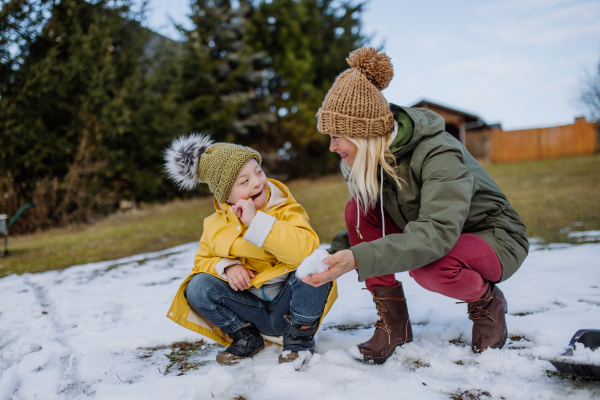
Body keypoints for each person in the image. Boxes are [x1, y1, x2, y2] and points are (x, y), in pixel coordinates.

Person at [300, 47, 529, 364]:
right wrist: (328, 258)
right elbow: (366, 231)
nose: (332, 146)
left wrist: (357, 258)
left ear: (364, 133)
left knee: (432, 268)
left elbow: (435, 233)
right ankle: (395, 323)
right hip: (435, 232)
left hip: (492, 236)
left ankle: (488, 303)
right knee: (359, 208)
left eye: (337, 135)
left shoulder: (438, 153)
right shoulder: (378, 160)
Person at [164, 134, 337, 365]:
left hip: (291, 307)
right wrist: (227, 266)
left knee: (316, 263)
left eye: (258, 172)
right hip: (250, 310)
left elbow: (303, 252)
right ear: (225, 195)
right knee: (197, 287)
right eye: (243, 182)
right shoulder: (215, 225)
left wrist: (257, 223)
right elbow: (201, 262)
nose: (257, 182)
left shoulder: (284, 208)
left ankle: (298, 341)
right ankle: (246, 337)